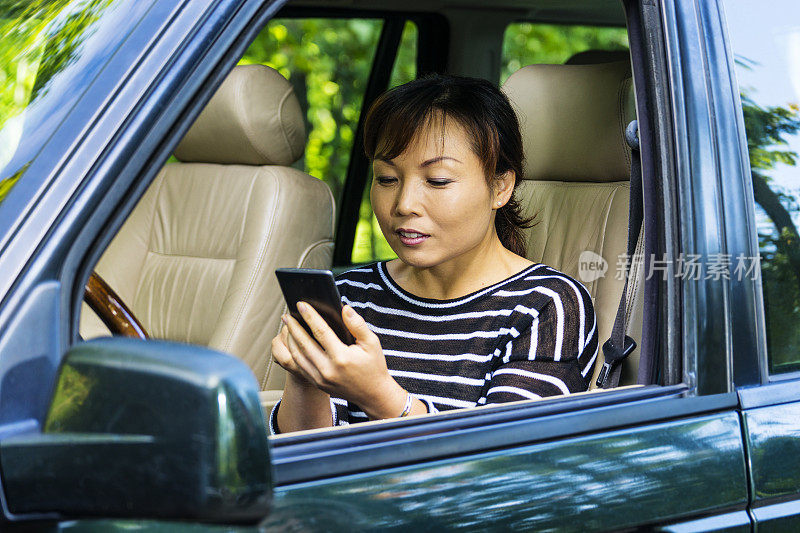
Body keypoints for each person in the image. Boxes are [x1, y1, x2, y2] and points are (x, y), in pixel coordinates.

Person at [269, 74, 598, 434]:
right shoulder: (350, 296)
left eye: (438, 180)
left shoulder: (545, 305)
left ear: (500, 187)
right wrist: (305, 377)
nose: (404, 204)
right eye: (386, 179)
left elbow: (504, 462)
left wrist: (382, 398)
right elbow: (304, 457)